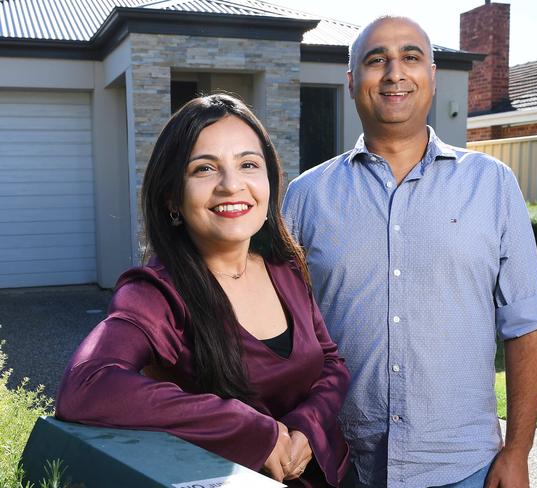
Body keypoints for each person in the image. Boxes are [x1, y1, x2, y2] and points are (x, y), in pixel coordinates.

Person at [282, 15, 537, 488]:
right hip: (341, 466)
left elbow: (526, 323)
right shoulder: (307, 196)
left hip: (463, 467)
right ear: (351, 82)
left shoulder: (492, 186)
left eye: (411, 58)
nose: (394, 73)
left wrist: (517, 452)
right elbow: (278, 332)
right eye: (376, 60)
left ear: (431, 76)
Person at [56, 94, 350, 487]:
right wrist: (254, 430)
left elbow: (331, 362)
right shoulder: (155, 293)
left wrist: (306, 428)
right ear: (172, 197)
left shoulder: (286, 268)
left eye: (248, 164)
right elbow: (86, 384)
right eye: (204, 169)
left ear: (269, 181)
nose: (231, 185)